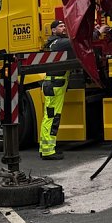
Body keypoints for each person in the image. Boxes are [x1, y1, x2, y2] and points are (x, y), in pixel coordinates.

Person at [39, 20, 71, 160]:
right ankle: (47, 151)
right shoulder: (57, 43)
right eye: (60, 26)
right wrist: (97, 32)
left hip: (54, 85)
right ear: (53, 30)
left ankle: (44, 148)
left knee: (50, 116)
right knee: (52, 117)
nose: (63, 28)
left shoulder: (56, 42)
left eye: (65, 25)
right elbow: (73, 42)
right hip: (55, 86)